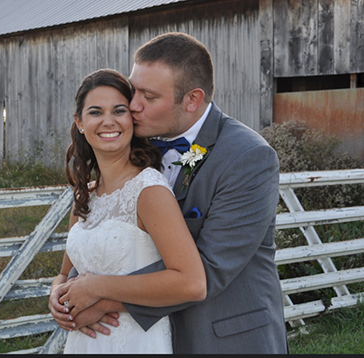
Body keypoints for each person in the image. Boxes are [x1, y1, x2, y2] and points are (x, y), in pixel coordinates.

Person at [49, 32, 289, 354]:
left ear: (191, 99)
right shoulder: (138, 144)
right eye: (134, 91)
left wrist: (100, 298)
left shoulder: (248, 157)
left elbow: (209, 271)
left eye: (148, 96)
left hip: (222, 339)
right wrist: (64, 291)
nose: (132, 106)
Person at [49, 68, 207, 354]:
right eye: (95, 112)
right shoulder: (85, 195)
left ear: (131, 119)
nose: (108, 121)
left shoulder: (148, 190)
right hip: (83, 342)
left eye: (119, 111)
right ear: (80, 123)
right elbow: (65, 273)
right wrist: (56, 296)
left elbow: (191, 282)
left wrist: (97, 289)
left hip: (135, 341)